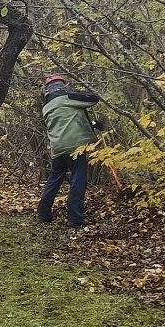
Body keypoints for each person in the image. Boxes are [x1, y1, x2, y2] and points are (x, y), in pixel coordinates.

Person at [38, 75, 103, 228]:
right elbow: (93, 99)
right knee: (78, 180)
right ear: (62, 86)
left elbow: (70, 119)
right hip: (75, 146)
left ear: (48, 89)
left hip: (58, 148)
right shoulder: (67, 97)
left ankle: (43, 213)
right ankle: (75, 218)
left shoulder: (46, 106)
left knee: (54, 180)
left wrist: (92, 124)